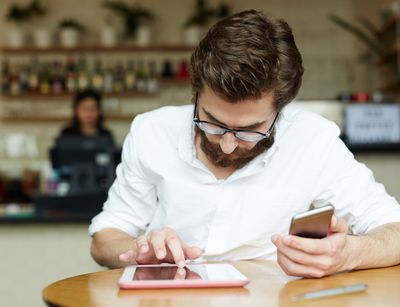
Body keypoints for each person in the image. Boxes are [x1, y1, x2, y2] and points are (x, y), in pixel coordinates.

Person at [89, 10, 400, 277]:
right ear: (195, 92)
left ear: (282, 109)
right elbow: (103, 241)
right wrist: (140, 249)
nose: (226, 145)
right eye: (211, 122)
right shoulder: (152, 132)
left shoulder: (314, 139)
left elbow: (394, 230)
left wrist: (348, 253)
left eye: (250, 130)